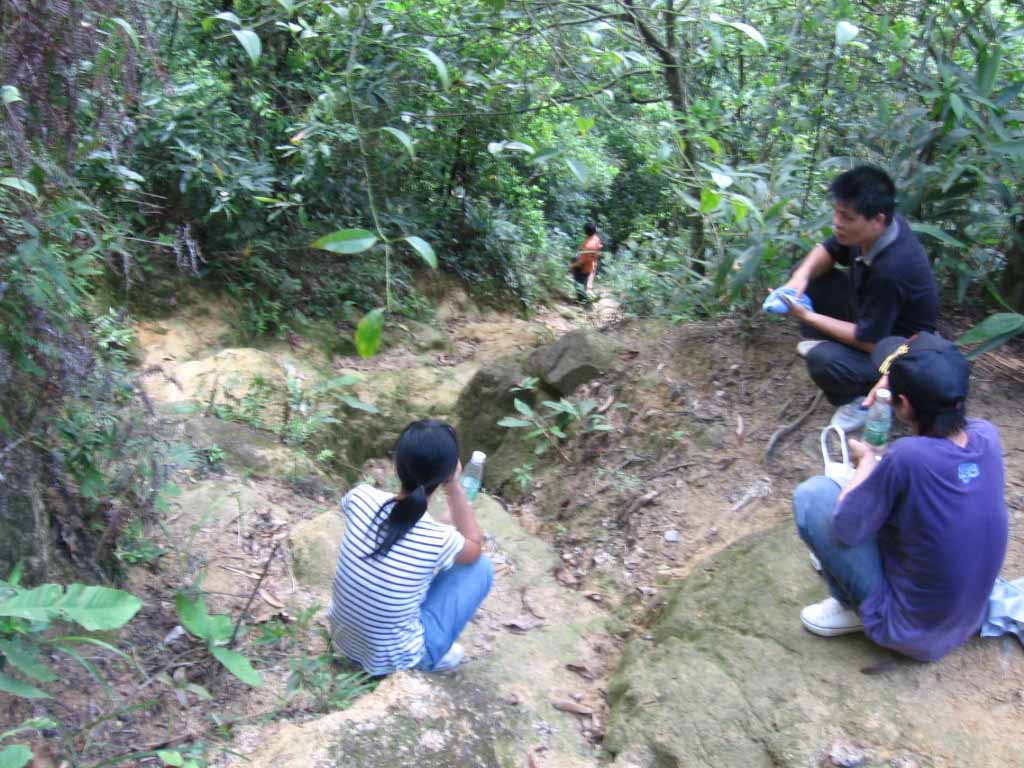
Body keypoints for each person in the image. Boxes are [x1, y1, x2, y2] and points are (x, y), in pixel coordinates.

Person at [792, 333, 1008, 661]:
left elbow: (846, 527)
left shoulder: (908, 456)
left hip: (910, 631)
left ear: (904, 405)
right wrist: (899, 379)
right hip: (967, 617)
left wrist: (869, 459)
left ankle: (852, 606)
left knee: (814, 497)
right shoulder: (986, 436)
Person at [769, 165, 939, 432]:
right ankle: (835, 345)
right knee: (808, 275)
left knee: (823, 361)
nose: (837, 222)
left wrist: (808, 316)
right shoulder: (877, 229)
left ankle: (861, 398)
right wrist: (798, 280)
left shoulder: (892, 269)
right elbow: (828, 250)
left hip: (898, 350)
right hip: (873, 313)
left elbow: (870, 340)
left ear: (877, 220)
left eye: (846, 217)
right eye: (836, 212)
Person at [327, 420, 493, 675]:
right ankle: (430, 656)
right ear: (448, 474)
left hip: (343, 639)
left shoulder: (360, 496)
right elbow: (474, 547)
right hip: (393, 661)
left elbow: (400, 529)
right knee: (480, 568)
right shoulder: (439, 539)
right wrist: (455, 487)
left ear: (396, 464)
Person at [570, 222, 602, 305]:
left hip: (584, 268)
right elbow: (599, 248)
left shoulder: (588, 246)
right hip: (590, 265)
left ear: (586, 231)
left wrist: (572, 265)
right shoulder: (596, 238)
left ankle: (583, 303)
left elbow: (582, 262)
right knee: (583, 283)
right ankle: (583, 301)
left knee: (579, 284)